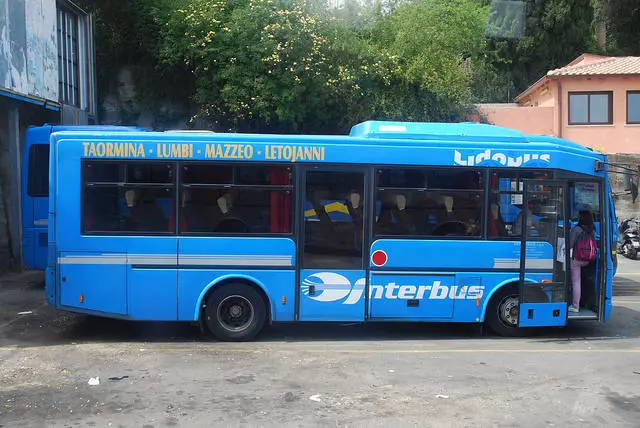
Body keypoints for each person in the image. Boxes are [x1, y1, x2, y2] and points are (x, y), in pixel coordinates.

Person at [569, 211, 596, 313]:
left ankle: (575, 305)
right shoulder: (592, 229)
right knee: (583, 280)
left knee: (576, 282)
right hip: (588, 260)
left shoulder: (576, 229)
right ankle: (584, 301)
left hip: (577, 259)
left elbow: (570, 244)